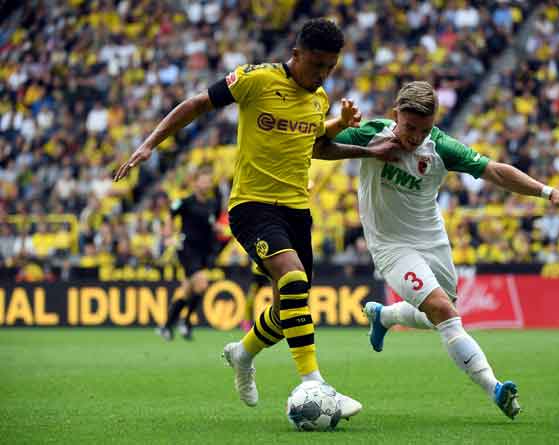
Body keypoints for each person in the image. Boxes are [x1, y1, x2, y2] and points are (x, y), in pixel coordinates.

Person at [114, 18, 398, 420]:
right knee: (294, 277)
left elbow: (316, 147)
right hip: (251, 207)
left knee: (287, 313)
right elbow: (197, 103)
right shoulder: (255, 79)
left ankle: (242, 354)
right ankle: (313, 382)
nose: (322, 75)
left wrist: (364, 147)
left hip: (297, 211)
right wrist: (149, 144)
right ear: (296, 55)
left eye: (330, 68)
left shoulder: (319, 98)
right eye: (316, 65)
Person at [332, 81, 559, 420]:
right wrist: (365, 149)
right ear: (396, 115)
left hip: (431, 237)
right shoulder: (370, 134)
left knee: (440, 309)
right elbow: (319, 147)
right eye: (409, 128)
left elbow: (494, 170)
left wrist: (547, 191)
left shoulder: (440, 147)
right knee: (443, 311)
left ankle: (386, 315)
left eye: (424, 130)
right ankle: (494, 388)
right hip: (391, 246)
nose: (415, 137)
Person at [156, 165, 223, 341]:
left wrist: (217, 228)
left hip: (203, 251)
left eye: (209, 181)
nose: (207, 184)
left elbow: (211, 223)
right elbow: (171, 214)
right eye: (204, 180)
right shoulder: (186, 202)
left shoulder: (212, 204)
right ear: (195, 183)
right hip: (187, 249)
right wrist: (168, 234)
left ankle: (166, 326)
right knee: (202, 284)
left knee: (187, 291)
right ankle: (186, 323)